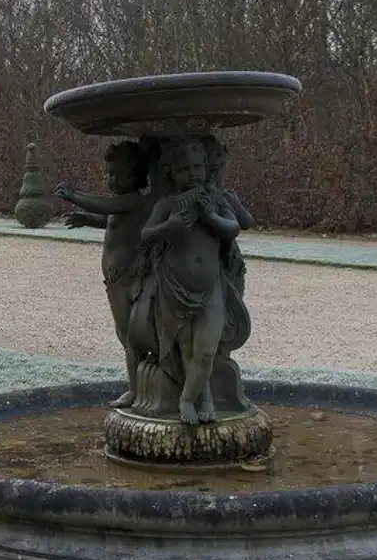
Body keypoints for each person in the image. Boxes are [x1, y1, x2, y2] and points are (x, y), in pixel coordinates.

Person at [128, 136, 240, 423]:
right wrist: (171, 226)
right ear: (172, 174)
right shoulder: (167, 204)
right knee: (186, 350)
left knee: (205, 352)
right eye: (184, 169)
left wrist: (210, 217)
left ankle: (189, 397)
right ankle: (200, 400)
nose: (192, 174)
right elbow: (146, 234)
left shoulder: (212, 200)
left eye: (197, 167)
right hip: (174, 288)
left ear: (206, 168)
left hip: (210, 289)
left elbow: (233, 228)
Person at [55, 140, 152, 407]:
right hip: (115, 277)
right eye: (108, 174)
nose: (110, 180)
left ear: (135, 175)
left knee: (130, 336)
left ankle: (136, 390)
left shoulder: (134, 200)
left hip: (126, 277)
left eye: (116, 175)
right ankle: (140, 385)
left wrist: (74, 195)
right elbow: (113, 220)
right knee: (126, 335)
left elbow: (105, 207)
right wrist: (89, 221)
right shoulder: (126, 205)